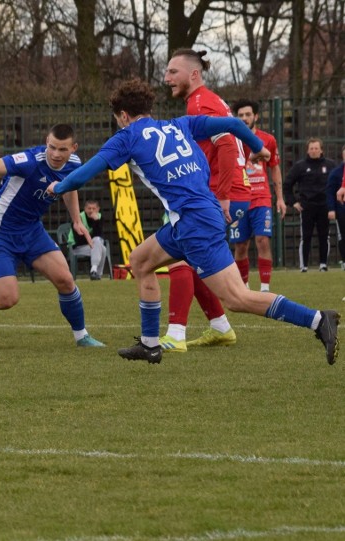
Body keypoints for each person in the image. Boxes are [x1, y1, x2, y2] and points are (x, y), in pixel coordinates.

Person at [47, 79, 339, 365]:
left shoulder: (126, 137)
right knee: (141, 261)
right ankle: (150, 346)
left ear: (123, 116)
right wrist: (257, 147)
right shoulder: (179, 124)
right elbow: (234, 124)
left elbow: (85, 173)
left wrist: (57, 187)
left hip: (194, 222)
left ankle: (316, 319)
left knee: (237, 299)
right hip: (193, 217)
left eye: (118, 119)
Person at [0, 124, 105, 347]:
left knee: (65, 280)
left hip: (31, 230)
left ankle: (81, 336)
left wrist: (76, 220)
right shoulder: (29, 161)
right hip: (0, 232)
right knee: (7, 298)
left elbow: (70, 185)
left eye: (63, 150)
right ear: (47, 140)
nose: (56, 154)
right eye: (52, 147)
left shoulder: (74, 164)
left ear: (74, 148)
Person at [160, 48, 244, 353]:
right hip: (204, 192)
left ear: (193, 74)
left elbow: (225, 147)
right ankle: (220, 327)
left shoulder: (200, 103)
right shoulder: (204, 100)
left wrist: (222, 195)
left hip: (204, 196)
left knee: (180, 260)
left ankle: (176, 335)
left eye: (172, 72)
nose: (166, 78)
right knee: (190, 261)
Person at [231, 99, 286, 291]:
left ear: (256, 116)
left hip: (261, 197)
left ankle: (264, 288)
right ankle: (243, 287)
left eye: (248, 114)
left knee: (262, 240)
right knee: (240, 245)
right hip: (239, 197)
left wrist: (280, 198)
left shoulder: (268, 139)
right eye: (240, 115)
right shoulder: (232, 140)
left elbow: (275, 168)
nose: (244, 118)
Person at [284, 138, 337, 272]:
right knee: (305, 236)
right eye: (311, 148)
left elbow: (338, 182)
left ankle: (323, 265)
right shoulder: (300, 166)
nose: (314, 151)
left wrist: (334, 202)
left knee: (324, 236)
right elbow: (287, 185)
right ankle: (304, 266)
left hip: (324, 206)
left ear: (321, 150)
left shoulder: (330, 165)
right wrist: (294, 202)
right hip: (307, 206)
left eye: (316, 148)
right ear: (307, 150)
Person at [67, 199, 108, 280]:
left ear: (98, 209)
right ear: (85, 209)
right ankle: (97, 274)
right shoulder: (78, 219)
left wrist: (96, 221)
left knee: (99, 244)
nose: (91, 211)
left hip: (93, 247)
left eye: (94, 208)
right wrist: (92, 240)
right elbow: (79, 239)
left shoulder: (99, 218)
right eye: (89, 208)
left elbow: (100, 235)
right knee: (101, 248)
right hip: (77, 247)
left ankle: (94, 270)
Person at [327, 144, 345, 270]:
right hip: (342, 209)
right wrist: (332, 209)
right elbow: (330, 192)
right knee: (343, 236)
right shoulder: (336, 173)